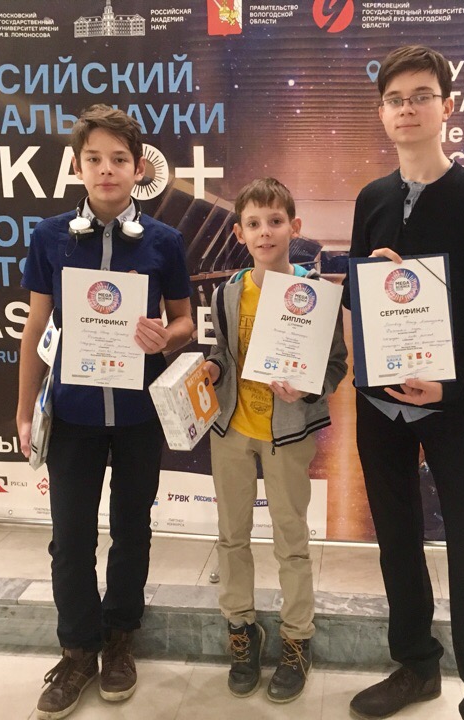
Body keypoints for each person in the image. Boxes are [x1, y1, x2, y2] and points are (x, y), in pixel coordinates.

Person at [343, 46, 464, 720]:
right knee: (395, 539)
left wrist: (453, 386)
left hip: (452, 403)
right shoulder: (372, 198)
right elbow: (358, 296)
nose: (407, 109)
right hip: (381, 403)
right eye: (395, 99)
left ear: (447, 107)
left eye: (421, 96)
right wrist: (375, 279)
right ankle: (416, 666)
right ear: (382, 113)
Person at [16, 104, 194, 720]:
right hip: (73, 415)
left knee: (132, 531)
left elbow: (185, 320)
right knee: (69, 538)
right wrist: (24, 411)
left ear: (139, 168)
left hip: (139, 415)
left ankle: (120, 640)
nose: (107, 169)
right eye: (94, 158)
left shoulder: (165, 241)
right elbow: (36, 325)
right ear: (77, 166)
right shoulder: (50, 237)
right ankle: (76, 650)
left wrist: (165, 337)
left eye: (119, 159)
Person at [202, 178, 347, 703]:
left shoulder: (316, 296)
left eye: (276, 221)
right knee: (231, 536)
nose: (265, 232)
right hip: (232, 432)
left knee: (291, 539)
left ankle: (297, 638)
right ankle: (241, 628)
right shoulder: (227, 293)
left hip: (287, 435)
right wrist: (212, 371)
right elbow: (224, 354)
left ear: (294, 227)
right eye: (254, 224)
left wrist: (309, 387)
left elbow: (335, 366)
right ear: (239, 233)